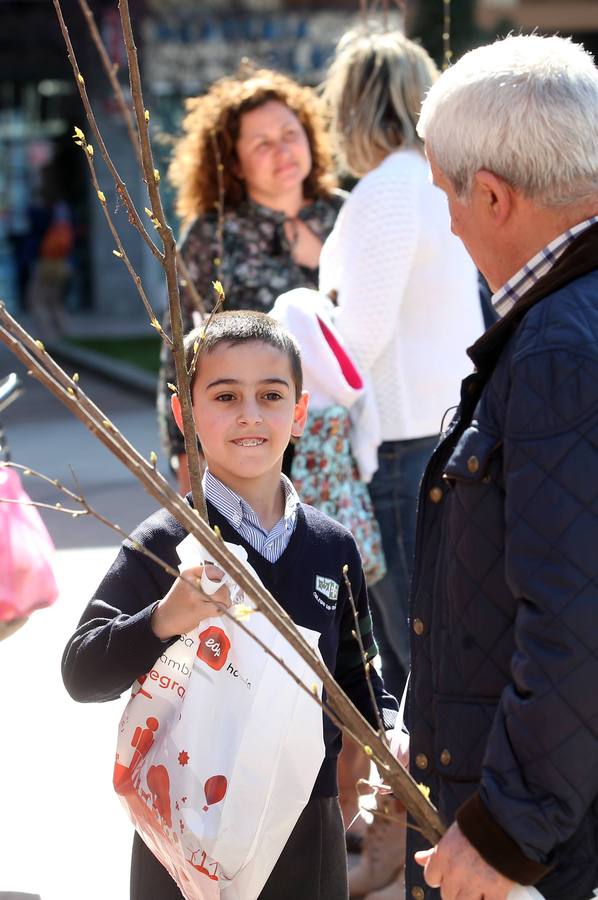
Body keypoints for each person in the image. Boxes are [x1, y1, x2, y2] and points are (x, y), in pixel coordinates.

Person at [62, 310, 398, 900]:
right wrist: (166, 618)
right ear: (184, 415)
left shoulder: (330, 547)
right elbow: (82, 671)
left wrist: (389, 735)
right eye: (225, 395)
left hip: (303, 824)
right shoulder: (166, 544)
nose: (249, 414)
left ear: (299, 414)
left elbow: (358, 675)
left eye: (271, 395)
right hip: (183, 832)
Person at [402, 33, 598, 900]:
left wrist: (505, 831)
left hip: (548, 847)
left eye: (447, 191)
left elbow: (575, 614)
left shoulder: (561, 346)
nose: (446, 218)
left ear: (490, 193)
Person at [318, 29, 484, 897]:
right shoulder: (434, 184)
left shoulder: (386, 192)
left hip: (401, 451)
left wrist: (293, 326)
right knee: (439, 668)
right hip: (442, 436)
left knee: (423, 680)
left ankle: (442, 859)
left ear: (354, 105)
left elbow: (357, 341)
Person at [157, 67, 344, 494]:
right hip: (248, 441)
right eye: (262, 143)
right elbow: (178, 346)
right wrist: (186, 451)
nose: (283, 150)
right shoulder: (213, 234)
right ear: (235, 163)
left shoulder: (346, 216)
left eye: (290, 134)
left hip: (348, 441)